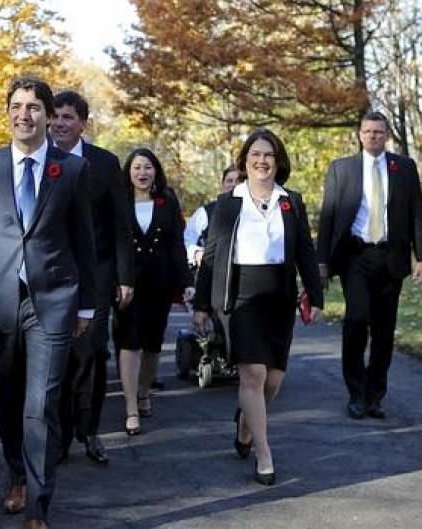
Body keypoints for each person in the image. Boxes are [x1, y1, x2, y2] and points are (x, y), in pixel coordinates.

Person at [0, 76, 96, 529]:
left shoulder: (69, 169)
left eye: (33, 107)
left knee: (41, 403)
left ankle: (37, 502)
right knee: (8, 397)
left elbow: (84, 242)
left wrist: (86, 306)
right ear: (7, 112)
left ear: (49, 117)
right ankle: (16, 471)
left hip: (53, 300)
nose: (23, 114)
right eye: (16, 106)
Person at [193, 129, 323, 486]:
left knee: (274, 379)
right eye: (255, 155)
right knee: (253, 374)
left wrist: (316, 294)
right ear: (245, 161)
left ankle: (246, 424)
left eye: (268, 155)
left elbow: (305, 253)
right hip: (240, 297)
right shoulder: (229, 202)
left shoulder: (291, 201)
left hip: (279, 297)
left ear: (278, 162)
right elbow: (213, 255)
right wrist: (202, 303)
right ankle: (264, 454)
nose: (262, 161)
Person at [317, 111, 422, 420]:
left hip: (391, 257)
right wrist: (322, 261)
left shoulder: (404, 168)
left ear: (386, 135)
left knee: (384, 330)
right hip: (355, 256)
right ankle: (355, 392)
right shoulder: (342, 169)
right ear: (359, 134)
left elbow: (416, 213)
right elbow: (327, 217)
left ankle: (374, 394)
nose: (373, 136)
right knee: (356, 319)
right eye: (367, 131)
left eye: (378, 132)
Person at [49, 90, 134, 466]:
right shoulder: (40, 160)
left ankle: (91, 430)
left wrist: (125, 276)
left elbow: (120, 225)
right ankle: (61, 435)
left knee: (92, 351)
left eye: (67, 117)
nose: (59, 124)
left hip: (96, 274)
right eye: (55, 117)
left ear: (82, 122)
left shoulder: (104, 163)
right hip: (51, 273)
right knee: (58, 355)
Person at [113, 148, 192, 436]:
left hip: (160, 281)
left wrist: (186, 283)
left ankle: (145, 391)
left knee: (153, 342)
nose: (142, 173)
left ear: (155, 171)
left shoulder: (166, 201)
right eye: (137, 167)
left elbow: (176, 245)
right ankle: (131, 406)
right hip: (127, 282)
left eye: (147, 167)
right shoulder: (119, 201)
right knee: (129, 340)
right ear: (128, 173)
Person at [184, 165, 240, 267]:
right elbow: (187, 239)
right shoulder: (205, 212)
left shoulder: (252, 212)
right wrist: (197, 253)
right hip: (211, 270)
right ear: (222, 184)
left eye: (238, 181)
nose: (233, 184)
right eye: (229, 181)